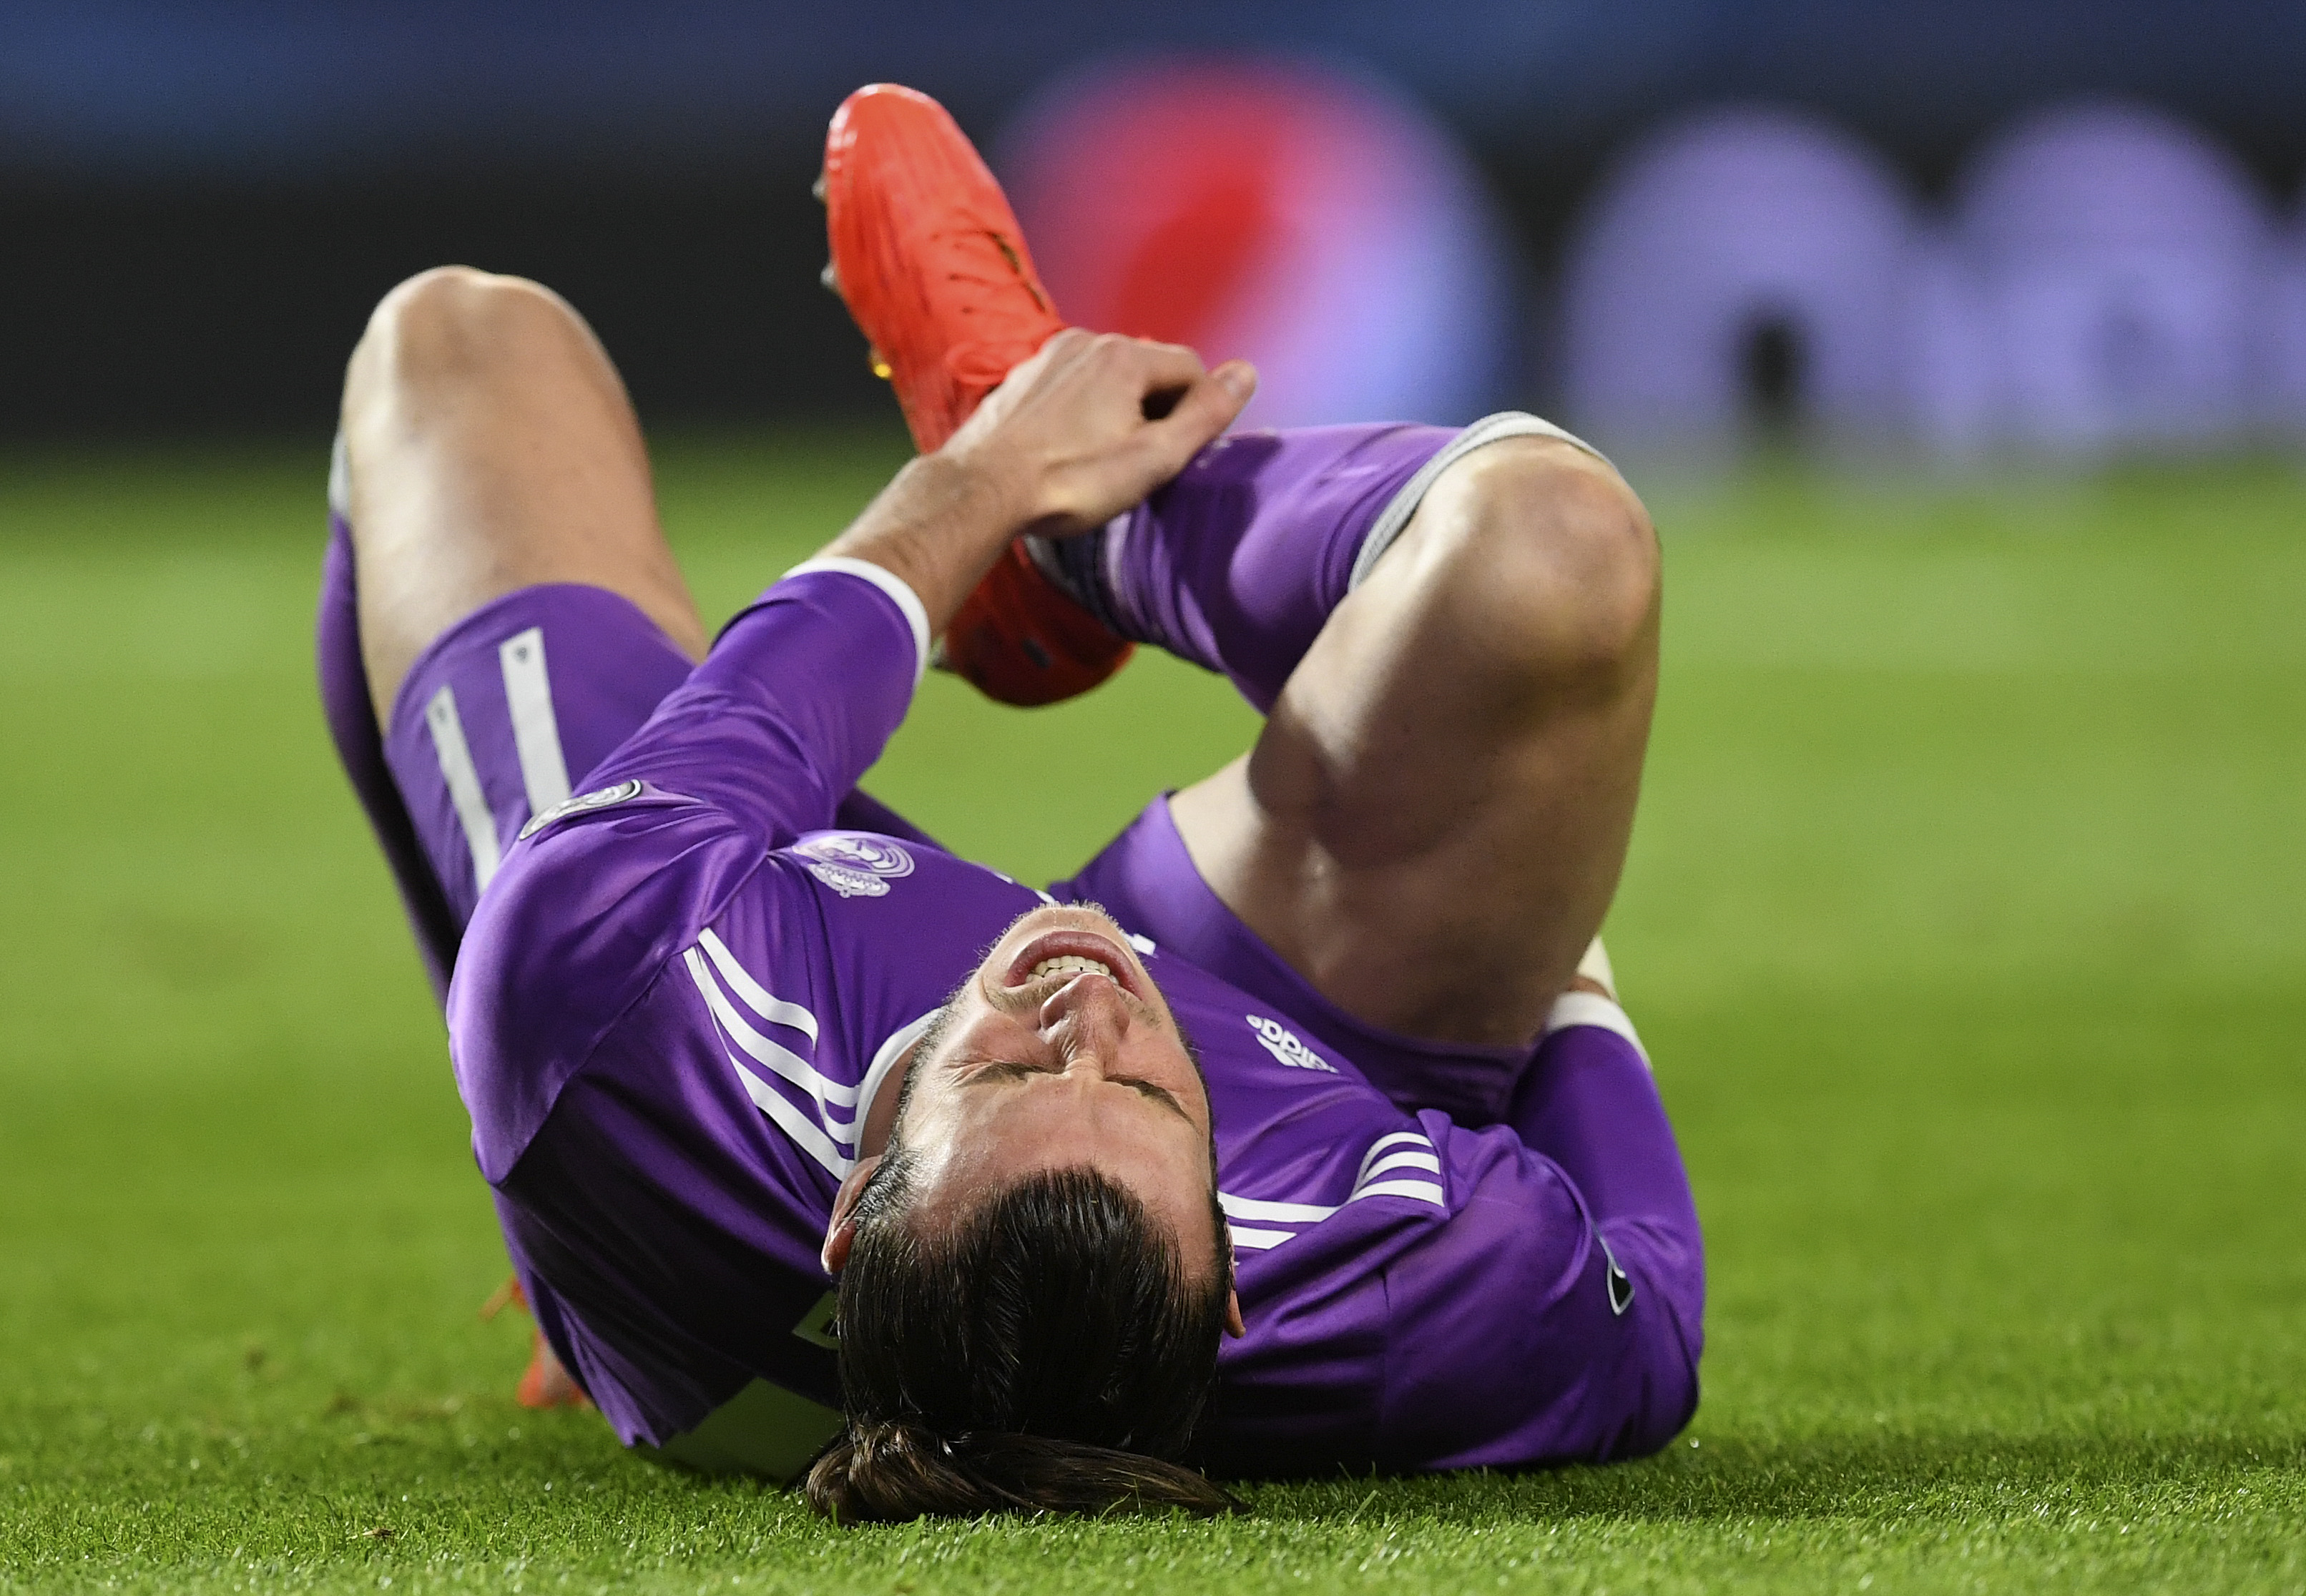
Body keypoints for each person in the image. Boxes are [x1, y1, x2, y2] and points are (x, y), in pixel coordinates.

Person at [315, 84, 1700, 1523]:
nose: (1087, 1011)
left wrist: (987, 480)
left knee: (459, 341)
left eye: (1011, 1071)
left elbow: (760, 722)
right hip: (1245, 1028)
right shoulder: (1392, 1288)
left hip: (636, 1033)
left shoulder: (631, 998)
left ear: (852, 1201)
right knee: (1558, 555)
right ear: (1235, 1287)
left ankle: (1076, 548)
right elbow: (1647, 1304)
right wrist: (1542, 947)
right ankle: (1104, 551)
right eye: (1152, 1095)